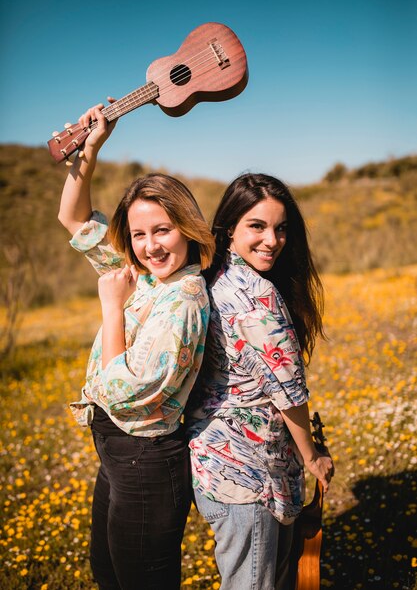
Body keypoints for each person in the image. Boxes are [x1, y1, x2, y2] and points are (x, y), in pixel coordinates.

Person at [57, 100, 215, 590]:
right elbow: (73, 219)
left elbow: (124, 390)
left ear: (187, 228)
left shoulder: (184, 299)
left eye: (163, 230)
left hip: (146, 460)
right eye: (140, 234)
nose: (151, 246)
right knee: (108, 571)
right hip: (117, 451)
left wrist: (110, 307)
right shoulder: (143, 276)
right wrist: (90, 151)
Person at [186, 173, 334, 590]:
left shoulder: (210, 277)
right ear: (229, 227)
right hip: (250, 478)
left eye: (280, 228)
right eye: (257, 226)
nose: (273, 240)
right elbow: (287, 391)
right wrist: (312, 455)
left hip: (216, 465)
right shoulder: (255, 297)